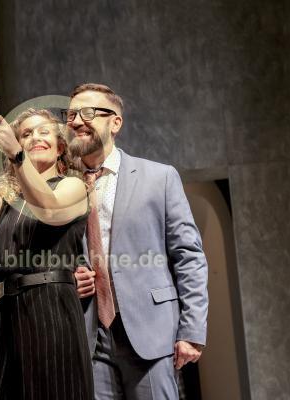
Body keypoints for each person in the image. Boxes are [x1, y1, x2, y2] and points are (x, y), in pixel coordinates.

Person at [69, 83, 209, 400]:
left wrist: (192, 330)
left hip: (151, 331)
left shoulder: (159, 178)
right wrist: (69, 277)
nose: (76, 121)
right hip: (89, 335)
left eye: (87, 113)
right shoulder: (60, 187)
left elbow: (189, 256)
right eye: (71, 114)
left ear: (115, 122)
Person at [0, 106, 94, 399]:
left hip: (50, 308)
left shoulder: (72, 186)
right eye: (25, 134)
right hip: (3, 312)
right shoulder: (11, 204)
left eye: (44, 132)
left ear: (60, 148)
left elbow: (49, 209)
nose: (35, 137)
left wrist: (16, 153)